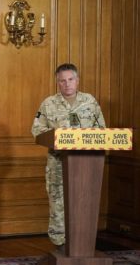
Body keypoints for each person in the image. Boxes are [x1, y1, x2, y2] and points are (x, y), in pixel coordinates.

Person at [31, 63, 106, 249]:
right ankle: (61, 244)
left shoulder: (90, 101)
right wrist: (57, 136)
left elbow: (102, 130)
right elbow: (37, 130)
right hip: (58, 164)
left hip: (87, 165)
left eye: (70, 79)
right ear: (58, 83)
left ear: (77, 80)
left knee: (85, 202)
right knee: (58, 204)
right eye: (62, 81)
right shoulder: (48, 104)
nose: (67, 84)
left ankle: (84, 242)